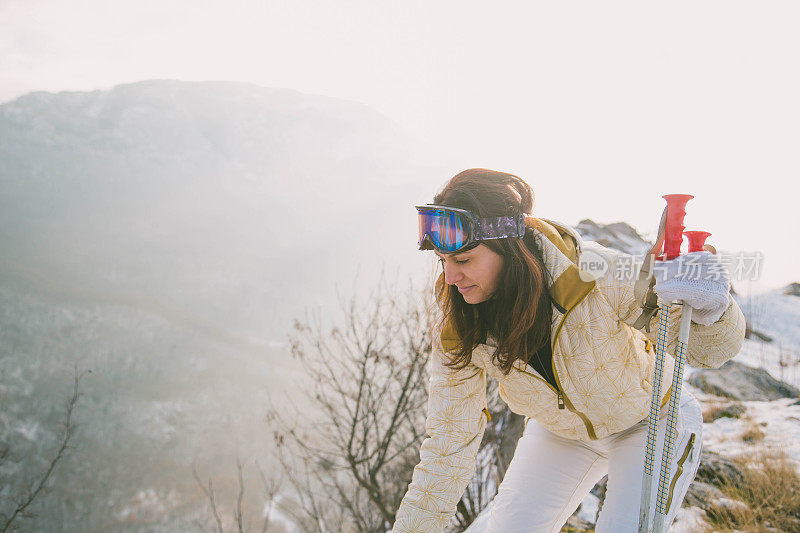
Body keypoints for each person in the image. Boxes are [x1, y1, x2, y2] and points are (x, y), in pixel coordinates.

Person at [392, 169, 746, 533]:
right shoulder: (461, 328)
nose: (450, 277)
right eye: (442, 261)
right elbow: (447, 447)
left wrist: (714, 311)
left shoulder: (592, 271)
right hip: (560, 432)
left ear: (509, 248)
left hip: (651, 417)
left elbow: (712, 350)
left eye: (463, 261)